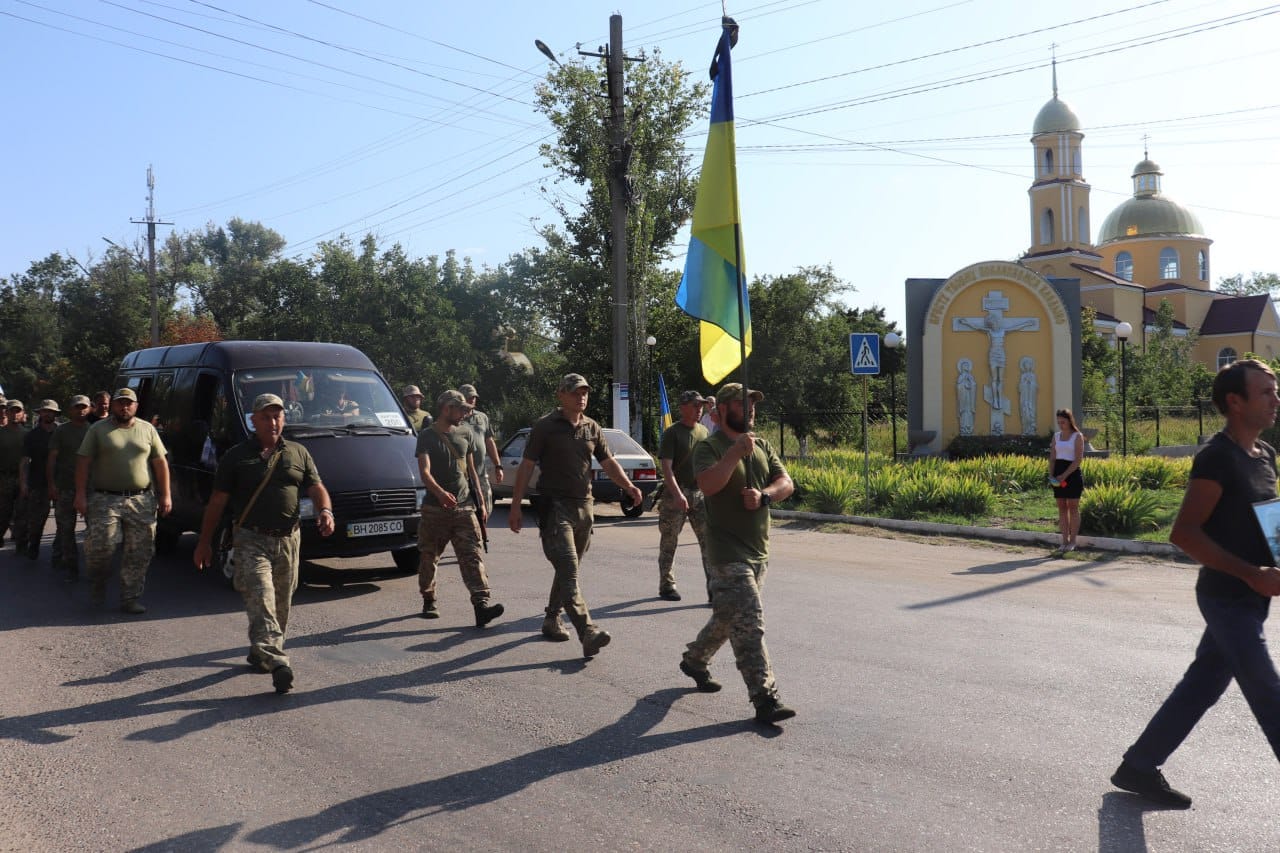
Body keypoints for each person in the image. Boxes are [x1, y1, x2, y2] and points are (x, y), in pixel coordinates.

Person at [1110, 359, 1280, 809]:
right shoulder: (1216, 458)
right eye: (1266, 392)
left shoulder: (1265, 456)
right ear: (1235, 402)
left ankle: (1139, 766)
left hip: (1253, 596)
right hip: (1226, 597)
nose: (1276, 399)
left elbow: (1269, 526)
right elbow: (1184, 533)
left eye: (1275, 390)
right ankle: (1140, 765)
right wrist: (1250, 574)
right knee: (1267, 690)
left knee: (1202, 685)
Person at [194, 393, 335, 694]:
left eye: (278, 416)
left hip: (288, 540)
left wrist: (325, 510)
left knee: (281, 605)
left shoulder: (298, 452)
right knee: (261, 598)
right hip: (250, 539)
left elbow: (317, 486)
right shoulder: (236, 456)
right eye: (267, 417)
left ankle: (262, 653)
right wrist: (204, 542)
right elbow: (217, 502)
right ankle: (279, 662)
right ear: (253, 420)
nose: (273, 422)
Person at [680, 383, 797, 725]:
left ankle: (695, 660)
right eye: (742, 405)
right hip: (726, 551)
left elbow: (786, 482)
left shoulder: (761, 444)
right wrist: (733, 454)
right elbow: (708, 485)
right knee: (750, 622)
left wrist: (765, 496)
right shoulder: (709, 447)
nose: (750, 410)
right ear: (725, 410)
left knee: (728, 618)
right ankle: (765, 697)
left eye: (753, 405)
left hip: (759, 551)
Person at [508, 373, 642, 658]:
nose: (581, 396)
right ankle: (587, 631)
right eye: (575, 392)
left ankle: (550, 619)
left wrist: (629, 486)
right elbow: (526, 466)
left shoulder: (592, 428)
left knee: (569, 570)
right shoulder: (545, 427)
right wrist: (516, 506)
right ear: (561, 395)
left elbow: (608, 463)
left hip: (585, 508)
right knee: (569, 571)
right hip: (556, 508)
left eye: (584, 392)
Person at [74, 388, 171, 614]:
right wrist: (80, 494)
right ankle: (98, 584)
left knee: (139, 552)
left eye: (129, 403)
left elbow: (160, 464)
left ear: (136, 406)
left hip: (141, 500)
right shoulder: (98, 430)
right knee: (100, 549)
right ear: (113, 405)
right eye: (120, 403)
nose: (124, 407)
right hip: (105, 499)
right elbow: (83, 462)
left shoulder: (148, 429)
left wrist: (165, 495)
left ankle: (130, 598)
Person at [414, 389, 504, 627]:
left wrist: (481, 502)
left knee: (472, 555)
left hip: (464, 507)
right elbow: (424, 472)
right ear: (446, 409)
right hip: (435, 509)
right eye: (460, 408)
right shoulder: (427, 436)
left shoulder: (467, 432)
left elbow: (471, 470)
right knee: (429, 556)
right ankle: (429, 598)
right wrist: (440, 493)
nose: (465, 413)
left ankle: (481, 605)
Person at [656, 390, 711, 602]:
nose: (699, 410)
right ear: (683, 407)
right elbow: (667, 468)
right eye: (695, 405)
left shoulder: (704, 432)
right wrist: (678, 495)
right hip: (675, 493)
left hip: (699, 493)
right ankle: (667, 585)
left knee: (709, 543)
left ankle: (714, 590)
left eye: (701, 406)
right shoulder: (672, 433)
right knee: (669, 541)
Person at [47, 395, 92, 579]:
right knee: (66, 530)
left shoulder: (95, 430)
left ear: (90, 409)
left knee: (95, 530)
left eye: (84, 407)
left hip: (90, 489)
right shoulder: (62, 431)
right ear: (70, 410)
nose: (81, 410)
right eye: (77, 407)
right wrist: (51, 484)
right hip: (65, 487)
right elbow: (52, 459)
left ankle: (94, 568)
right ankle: (71, 566)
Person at [18, 400, 60, 560]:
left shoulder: (61, 432)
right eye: (45, 411)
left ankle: (59, 552)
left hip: (61, 482)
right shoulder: (32, 435)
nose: (48, 414)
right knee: (37, 519)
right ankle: (33, 545)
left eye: (51, 411)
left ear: (56, 414)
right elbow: (24, 460)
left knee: (64, 521)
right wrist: (23, 483)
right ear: (40, 413)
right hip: (38, 482)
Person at [459, 383, 503, 515]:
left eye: (474, 397)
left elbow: (489, 441)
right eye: (468, 397)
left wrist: (498, 465)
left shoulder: (482, 417)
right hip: (462, 475)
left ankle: (481, 533)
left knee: (486, 508)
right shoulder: (456, 418)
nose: (472, 399)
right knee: (464, 512)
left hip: (480, 472)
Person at [1048, 407, 1085, 554]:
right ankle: (1064, 541)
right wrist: (1051, 475)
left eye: (1063, 422)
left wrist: (1064, 475)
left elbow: (1078, 460)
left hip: (1072, 474)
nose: (1061, 425)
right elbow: (1052, 457)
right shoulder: (1056, 436)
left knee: (1073, 507)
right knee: (1062, 507)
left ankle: (1073, 541)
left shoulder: (1077, 436)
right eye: (1058, 422)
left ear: (1070, 421)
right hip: (1058, 474)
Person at [0, 400, 28, 550]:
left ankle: (22, 544)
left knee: (22, 513)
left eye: (18, 411)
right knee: (3, 513)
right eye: (12, 411)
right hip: (4, 478)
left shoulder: (27, 434)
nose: (15, 414)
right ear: (7, 413)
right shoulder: (1, 432)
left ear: (23, 413)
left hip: (22, 478)